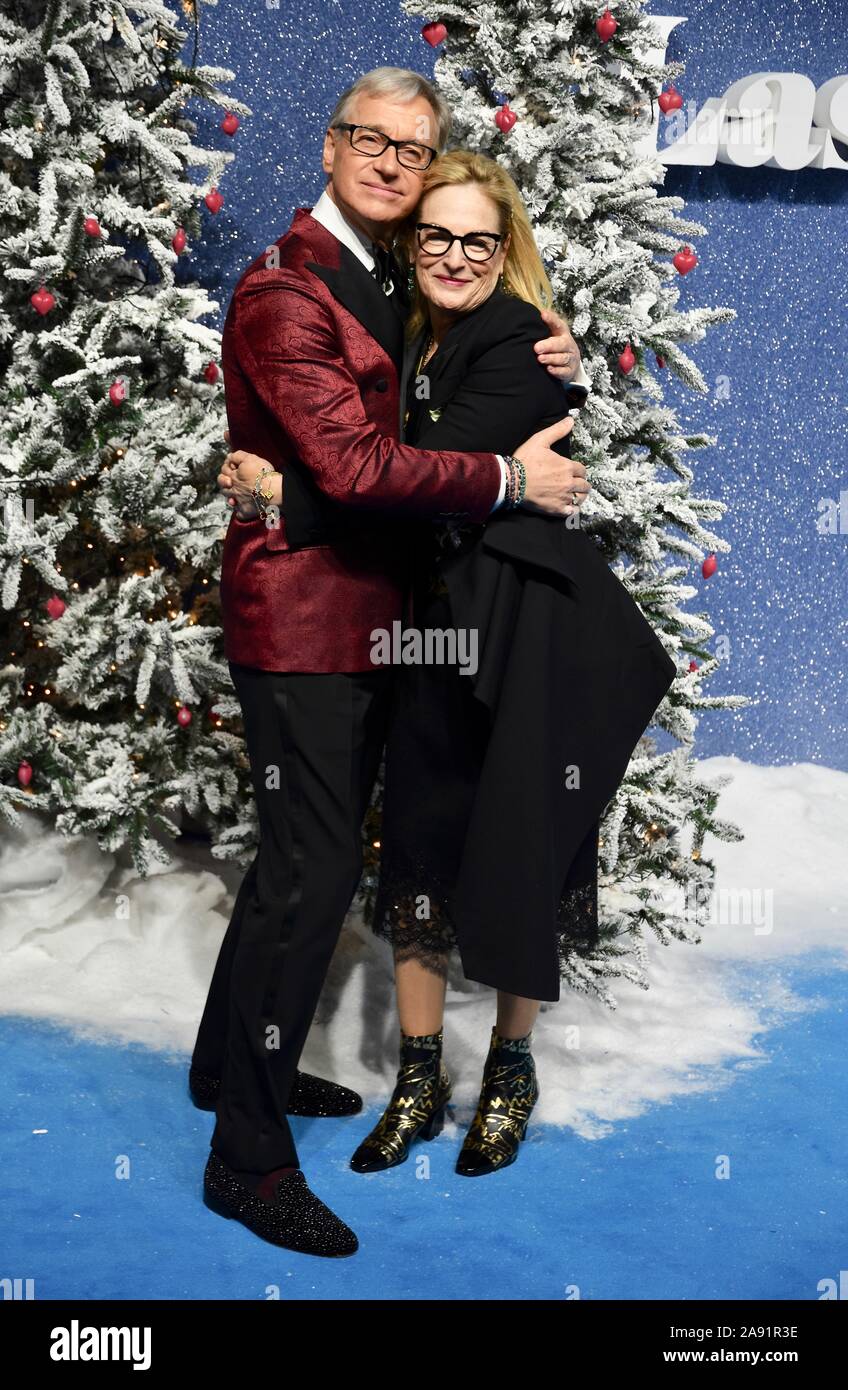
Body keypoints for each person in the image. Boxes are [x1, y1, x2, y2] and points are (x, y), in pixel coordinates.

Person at [192, 66, 587, 1259]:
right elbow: (366, 467)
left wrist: (557, 349)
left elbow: (425, 403)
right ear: (327, 146)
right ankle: (247, 1161)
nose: (386, 161)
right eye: (367, 138)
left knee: (292, 871)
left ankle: (227, 1069)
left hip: (368, 621)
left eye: (409, 150)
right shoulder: (284, 291)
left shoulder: (377, 278)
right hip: (305, 631)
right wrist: (513, 476)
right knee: (311, 884)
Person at [344, 150, 678, 1179]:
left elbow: (411, 478)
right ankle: (415, 1077)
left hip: (522, 637)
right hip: (428, 637)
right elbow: (406, 467)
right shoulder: (401, 336)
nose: (452, 255)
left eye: (475, 239)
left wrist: (434, 467)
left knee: (524, 845)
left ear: (504, 249)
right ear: (410, 243)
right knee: (418, 854)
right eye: (433, 235)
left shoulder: (528, 342)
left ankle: (509, 1069)